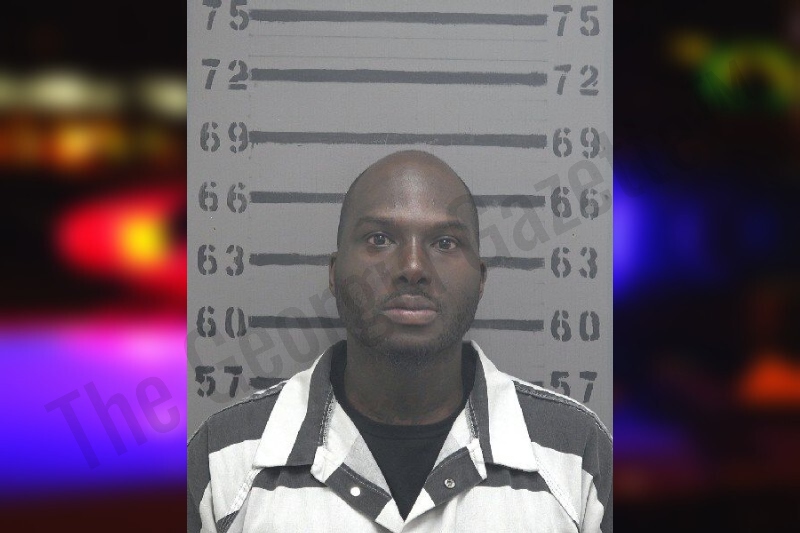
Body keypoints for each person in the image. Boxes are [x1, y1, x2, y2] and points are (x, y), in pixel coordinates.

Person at [188, 150, 612, 533]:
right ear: (334, 273)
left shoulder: (578, 455)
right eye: (379, 239)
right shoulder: (223, 459)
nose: (412, 267)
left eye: (444, 243)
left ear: (480, 280)